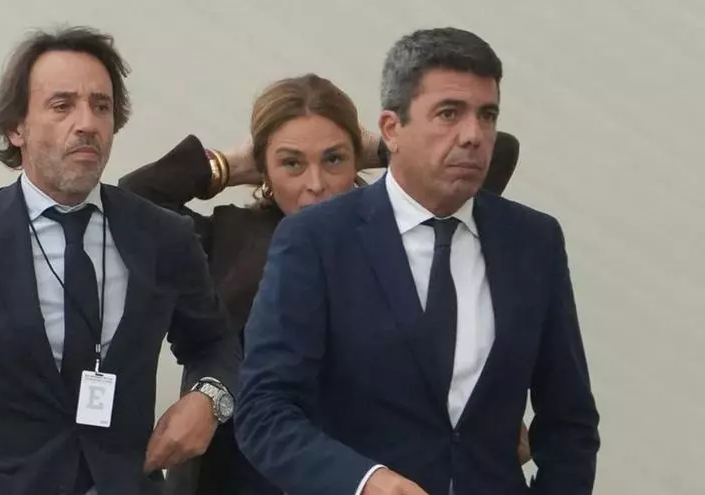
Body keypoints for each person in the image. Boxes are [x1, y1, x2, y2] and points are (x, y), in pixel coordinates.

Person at [0, 26, 239, 495]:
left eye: (101, 106)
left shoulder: (163, 237)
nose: (87, 123)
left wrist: (209, 398)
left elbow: (214, 345)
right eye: (62, 105)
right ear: (17, 128)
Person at [118, 74, 524, 495]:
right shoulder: (227, 236)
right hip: (231, 477)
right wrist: (228, 164)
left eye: (334, 159)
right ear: (264, 170)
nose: (315, 184)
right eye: (292, 163)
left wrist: (390, 147)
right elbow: (134, 201)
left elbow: (499, 153)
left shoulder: (400, 234)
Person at [235, 27, 600, 495]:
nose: (473, 135)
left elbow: (569, 420)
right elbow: (264, 411)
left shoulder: (533, 240)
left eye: (487, 115)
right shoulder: (317, 239)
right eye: (449, 113)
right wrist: (363, 482)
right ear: (391, 129)